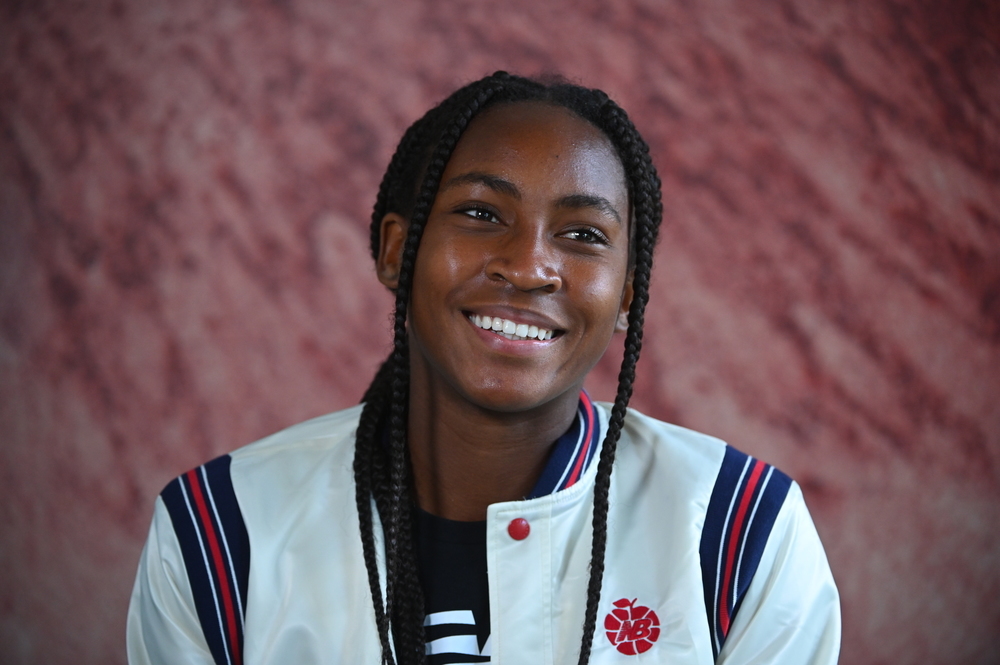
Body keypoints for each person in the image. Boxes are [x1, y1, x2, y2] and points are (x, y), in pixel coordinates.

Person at [127, 72, 840, 665]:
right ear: (396, 251)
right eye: (480, 213)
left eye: (583, 233)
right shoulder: (222, 535)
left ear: (628, 294)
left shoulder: (740, 531)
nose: (529, 266)